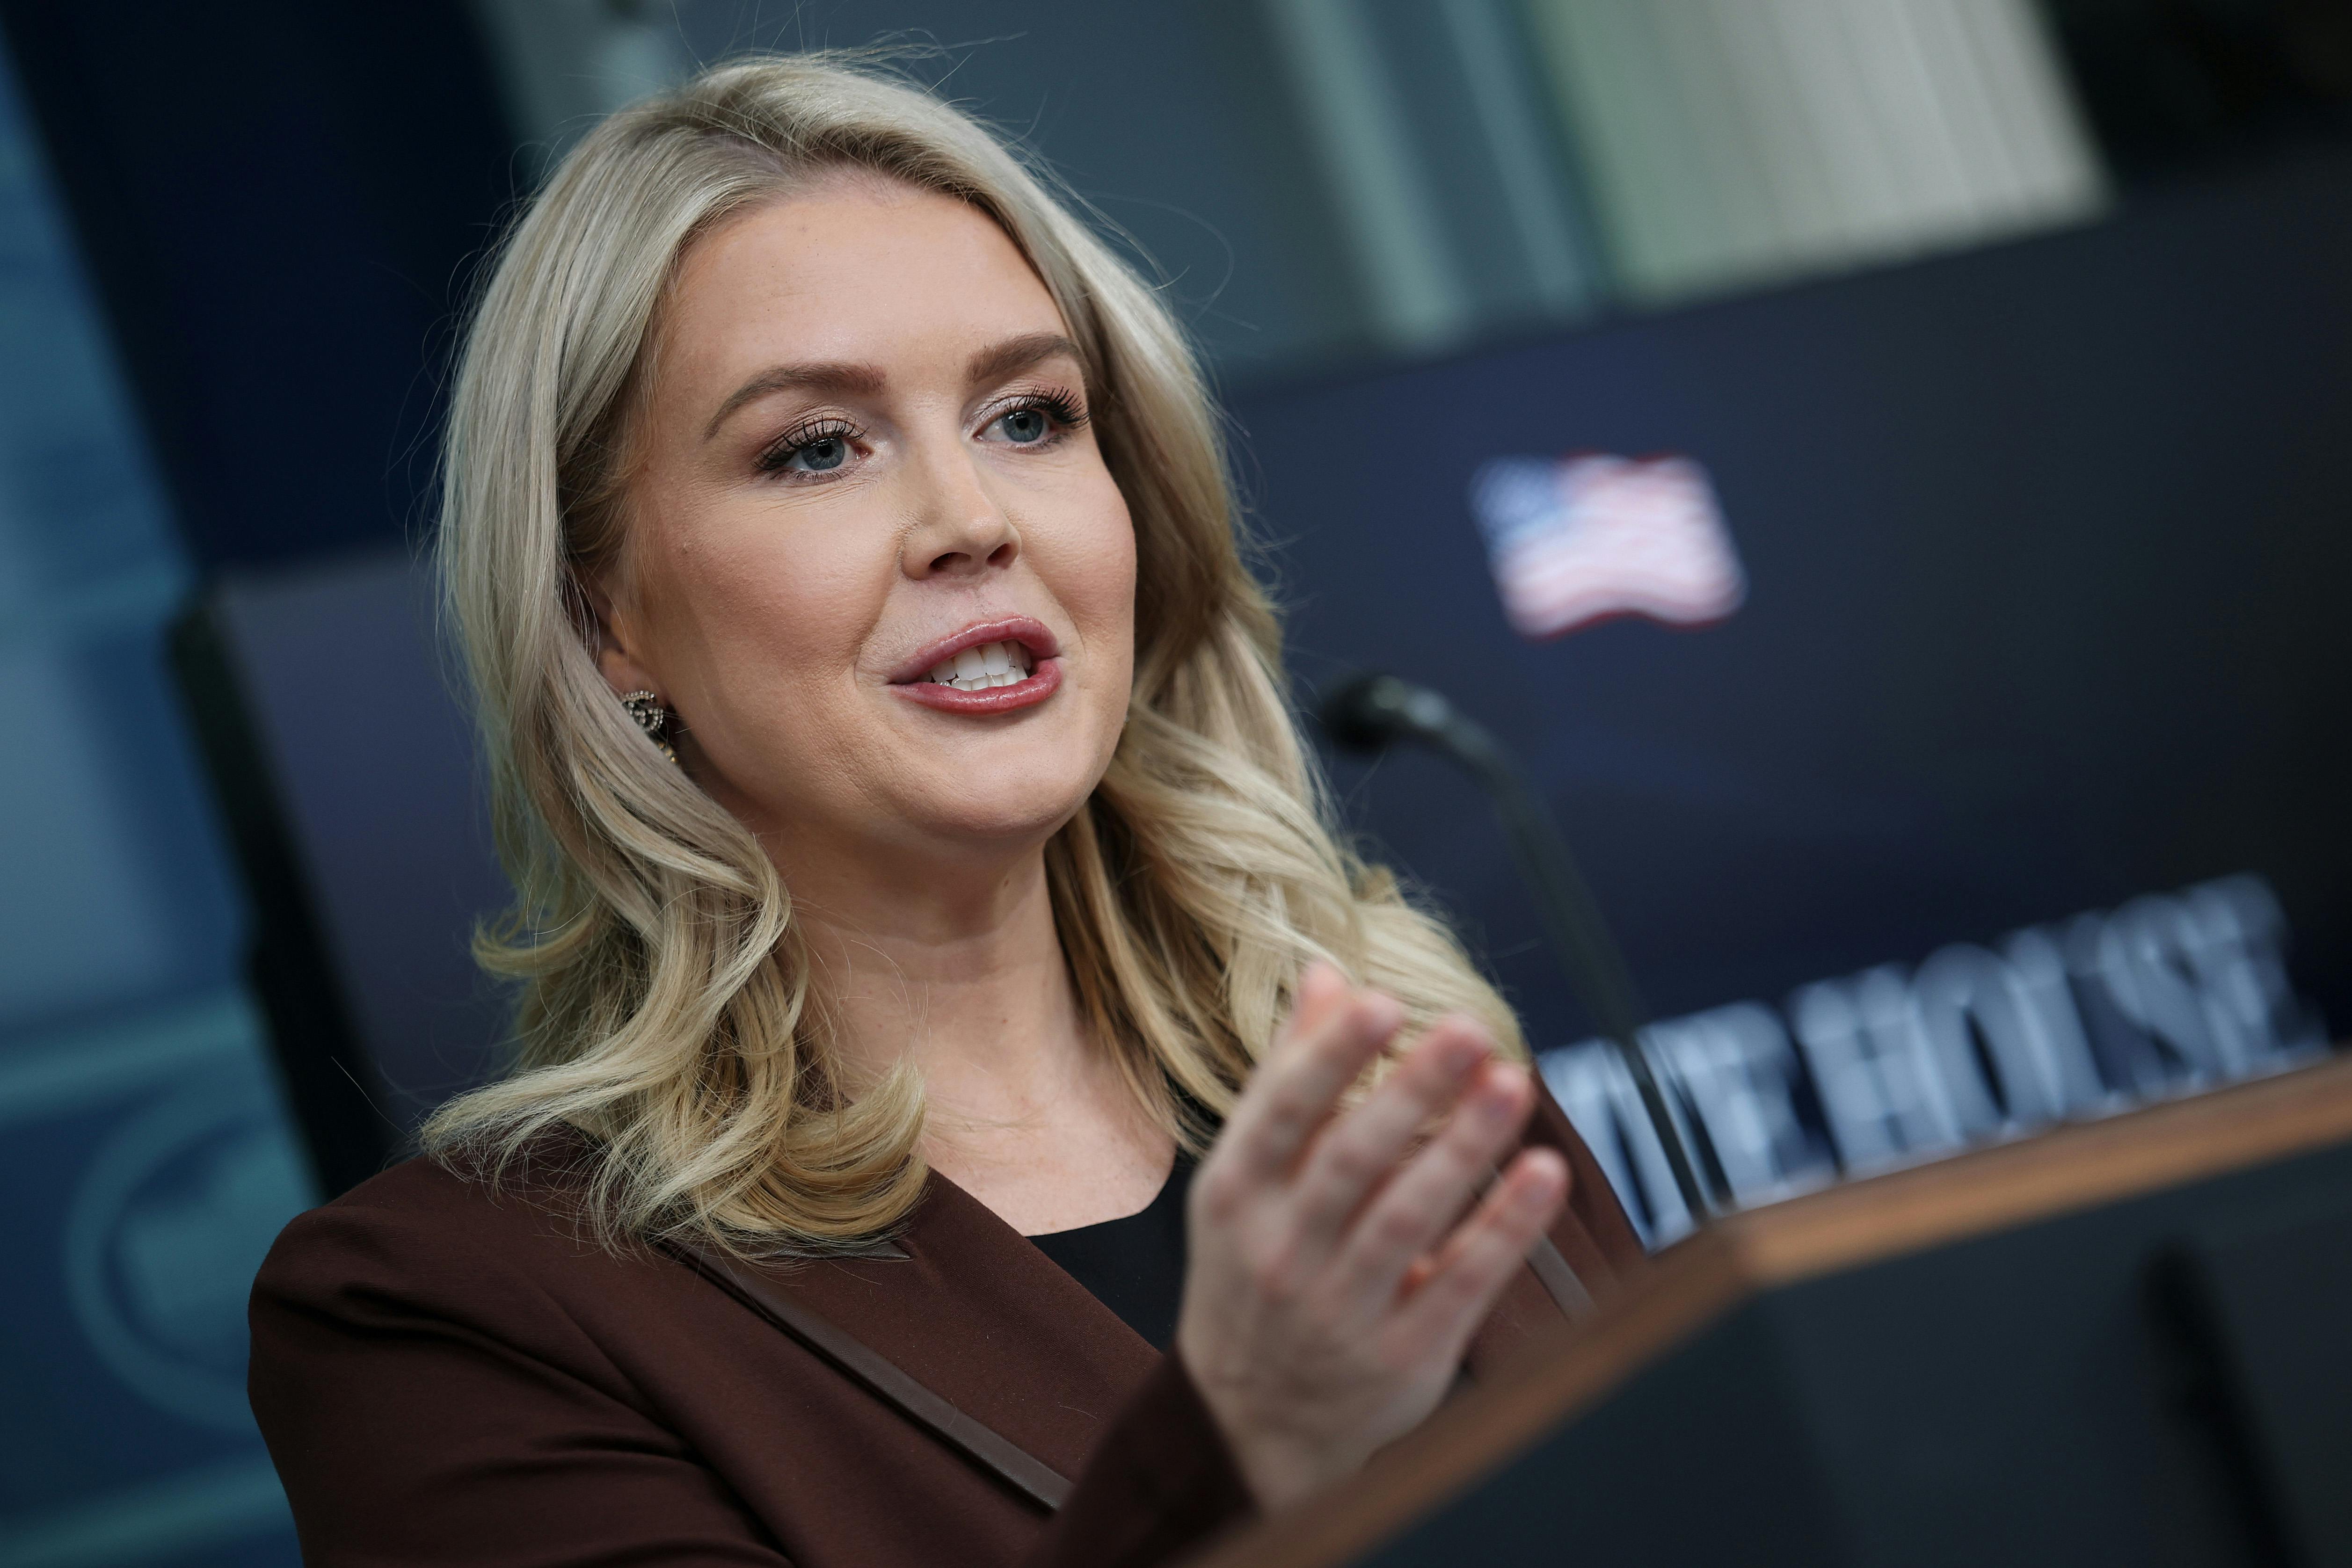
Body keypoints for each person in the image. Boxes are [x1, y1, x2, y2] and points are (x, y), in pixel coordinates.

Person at [248, 51, 1646, 1568]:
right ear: (605, 625)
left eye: (1028, 417)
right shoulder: (452, 1317)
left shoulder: (1404, 1089)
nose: (971, 520)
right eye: (816, 448)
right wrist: (1237, 1451)